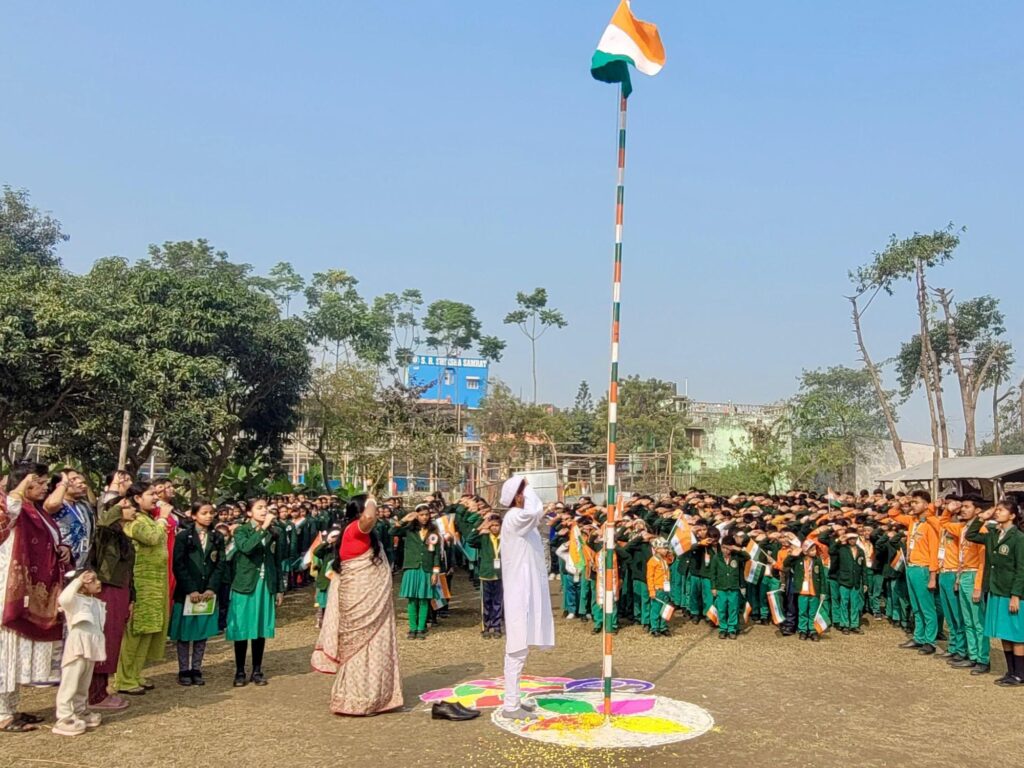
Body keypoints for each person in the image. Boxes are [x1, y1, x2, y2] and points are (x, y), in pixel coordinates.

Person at [311, 495, 406, 717]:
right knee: (358, 647)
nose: (376, 509)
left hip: (372, 600)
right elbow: (370, 517)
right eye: (371, 505)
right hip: (360, 599)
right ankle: (359, 698)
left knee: (373, 646)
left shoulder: (362, 533)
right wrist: (371, 499)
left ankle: (374, 696)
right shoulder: (355, 529)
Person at [0, 463, 68, 733]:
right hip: (9, 591)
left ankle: (10, 707)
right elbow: (8, 515)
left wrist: (62, 548)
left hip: (32, 591)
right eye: (38, 482)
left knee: (15, 654)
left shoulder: (36, 511)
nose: (44, 487)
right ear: (24, 482)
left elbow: (51, 538)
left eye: (44, 482)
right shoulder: (12, 507)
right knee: (5, 653)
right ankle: (2, 714)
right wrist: (18, 488)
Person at [498, 476, 554, 721]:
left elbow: (536, 515)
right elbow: (533, 511)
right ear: (517, 497)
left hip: (526, 587)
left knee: (521, 648)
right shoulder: (515, 517)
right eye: (523, 492)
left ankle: (514, 699)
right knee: (517, 648)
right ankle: (511, 705)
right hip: (519, 590)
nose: (527, 494)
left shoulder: (523, 521)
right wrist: (528, 489)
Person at [85, 498, 136, 712]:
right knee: (103, 640)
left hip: (121, 590)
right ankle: (94, 695)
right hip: (106, 589)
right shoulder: (106, 535)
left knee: (113, 641)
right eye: (128, 506)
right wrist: (116, 506)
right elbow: (104, 525)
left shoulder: (123, 537)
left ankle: (102, 690)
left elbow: (128, 570)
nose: (133, 509)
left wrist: (132, 597)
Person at [966, 500, 1024, 686]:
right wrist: (981, 517)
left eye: (1001, 510)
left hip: (1011, 592)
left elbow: (1021, 569)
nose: (997, 513)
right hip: (996, 589)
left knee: (1016, 634)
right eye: (996, 510)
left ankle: (1020, 674)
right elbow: (970, 535)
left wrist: (1016, 595)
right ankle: (1010, 671)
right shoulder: (993, 534)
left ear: (1012, 515)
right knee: (1003, 633)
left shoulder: (1018, 538)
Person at [226, 498, 282, 687]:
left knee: (260, 628)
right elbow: (246, 548)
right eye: (259, 508)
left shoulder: (275, 532)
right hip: (245, 584)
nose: (264, 511)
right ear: (249, 513)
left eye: (265, 507)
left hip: (265, 584)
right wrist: (263, 527)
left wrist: (279, 589)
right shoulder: (241, 530)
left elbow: (277, 561)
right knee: (242, 628)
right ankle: (240, 671)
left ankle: (257, 670)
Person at [169, 501, 225, 687]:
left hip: (207, 592)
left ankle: (196, 668)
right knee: (184, 634)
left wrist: (211, 588)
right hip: (187, 593)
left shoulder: (217, 537)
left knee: (202, 632)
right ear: (194, 515)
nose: (209, 516)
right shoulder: (184, 537)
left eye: (211, 513)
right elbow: (178, 564)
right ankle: (183, 669)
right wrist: (190, 589)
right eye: (204, 513)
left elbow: (220, 564)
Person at [52, 569, 105, 737]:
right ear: (82, 585)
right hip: (77, 648)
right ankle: (64, 717)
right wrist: (78, 580)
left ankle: (80, 710)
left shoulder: (96, 602)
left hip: (91, 648)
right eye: (93, 580)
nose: (98, 583)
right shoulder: (74, 601)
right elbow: (64, 598)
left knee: (83, 683)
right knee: (70, 683)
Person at [889, 491, 940, 655]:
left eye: (916, 502)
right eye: (912, 502)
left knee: (927, 607)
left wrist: (933, 576)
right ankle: (919, 637)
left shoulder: (931, 524)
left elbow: (934, 552)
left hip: (923, 568)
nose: (913, 505)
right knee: (916, 606)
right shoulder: (913, 520)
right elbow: (893, 514)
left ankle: (930, 641)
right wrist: (900, 502)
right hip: (911, 567)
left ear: (926, 504)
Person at [394, 504, 440, 640]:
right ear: (416, 515)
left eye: (426, 514)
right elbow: (392, 531)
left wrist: (435, 572)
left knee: (424, 599)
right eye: (421, 515)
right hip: (411, 567)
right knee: (412, 599)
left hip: (426, 569)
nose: (424, 517)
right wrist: (404, 520)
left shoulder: (433, 531)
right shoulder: (409, 530)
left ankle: (421, 628)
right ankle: (412, 628)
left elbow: (436, 554)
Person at [45, 470, 95, 570]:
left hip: (81, 565)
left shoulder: (82, 505)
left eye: (80, 479)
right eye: (73, 479)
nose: (79, 482)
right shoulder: (58, 504)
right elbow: (51, 505)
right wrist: (64, 482)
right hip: (61, 563)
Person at [646, 538, 673, 637]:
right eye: (664, 548)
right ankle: (655, 628)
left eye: (666, 548)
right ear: (657, 549)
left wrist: (669, 553)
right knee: (656, 609)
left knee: (665, 609)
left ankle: (663, 627)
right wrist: (651, 591)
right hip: (658, 589)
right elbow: (649, 577)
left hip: (666, 588)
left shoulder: (664, 559)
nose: (666, 550)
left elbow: (671, 559)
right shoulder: (652, 561)